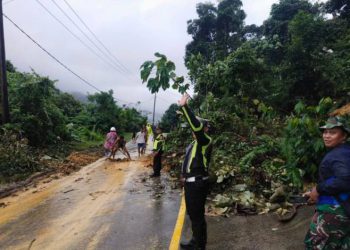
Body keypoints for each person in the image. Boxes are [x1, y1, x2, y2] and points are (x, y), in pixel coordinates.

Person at [304, 116, 350, 249]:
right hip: (342, 207)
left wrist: (318, 189)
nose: (327, 136)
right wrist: (314, 191)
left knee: (316, 245)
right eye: (325, 132)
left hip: (335, 211)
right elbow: (337, 178)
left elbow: (345, 179)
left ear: (343, 136)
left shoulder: (340, 154)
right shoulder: (344, 152)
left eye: (333, 132)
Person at [178, 93, 213, 250]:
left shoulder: (205, 140)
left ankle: (199, 246)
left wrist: (185, 107)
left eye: (199, 126)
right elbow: (189, 162)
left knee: (197, 216)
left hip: (198, 184)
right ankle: (196, 242)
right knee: (194, 215)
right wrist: (183, 176)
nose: (194, 129)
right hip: (191, 183)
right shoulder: (194, 144)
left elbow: (196, 127)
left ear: (205, 128)